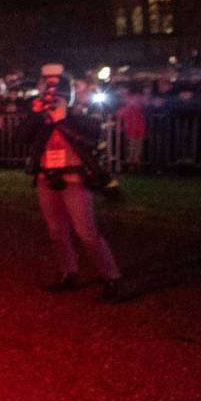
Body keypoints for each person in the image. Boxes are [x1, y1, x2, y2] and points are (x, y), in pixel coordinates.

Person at [21, 63, 124, 301]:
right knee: (57, 231)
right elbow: (19, 137)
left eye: (57, 97)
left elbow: (89, 140)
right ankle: (68, 272)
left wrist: (62, 121)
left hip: (75, 180)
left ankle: (112, 278)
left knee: (86, 232)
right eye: (50, 97)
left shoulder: (82, 119)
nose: (53, 102)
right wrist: (37, 116)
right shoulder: (41, 120)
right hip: (47, 179)